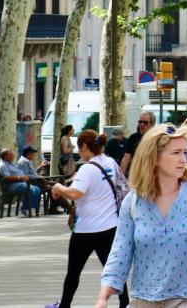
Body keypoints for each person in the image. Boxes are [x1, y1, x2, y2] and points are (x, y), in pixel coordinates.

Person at [97, 124, 187, 308]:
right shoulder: (133, 202)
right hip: (143, 300)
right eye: (175, 153)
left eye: (184, 152)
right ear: (154, 158)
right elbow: (120, 251)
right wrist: (102, 298)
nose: (183, 159)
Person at [45, 131, 129, 308]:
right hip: (110, 227)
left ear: (85, 146)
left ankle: (65, 305)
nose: (78, 151)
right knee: (114, 269)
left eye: (78, 147)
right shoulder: (111, 162)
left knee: (73, 272)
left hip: (86, 230)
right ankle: (125, 303)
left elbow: (75, 193)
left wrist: (59, 186)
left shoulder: (87, 168)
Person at [0, 148, 41, 216]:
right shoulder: (3, 165)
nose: (13, 156)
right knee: (31, 189)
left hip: (20, 182)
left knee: (37, 189)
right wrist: (20, 177)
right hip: (12, 185)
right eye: (11, 154)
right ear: (6, 156)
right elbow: (7, 177)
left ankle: (28, 208)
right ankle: (25, 209)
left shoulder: (10, 163)